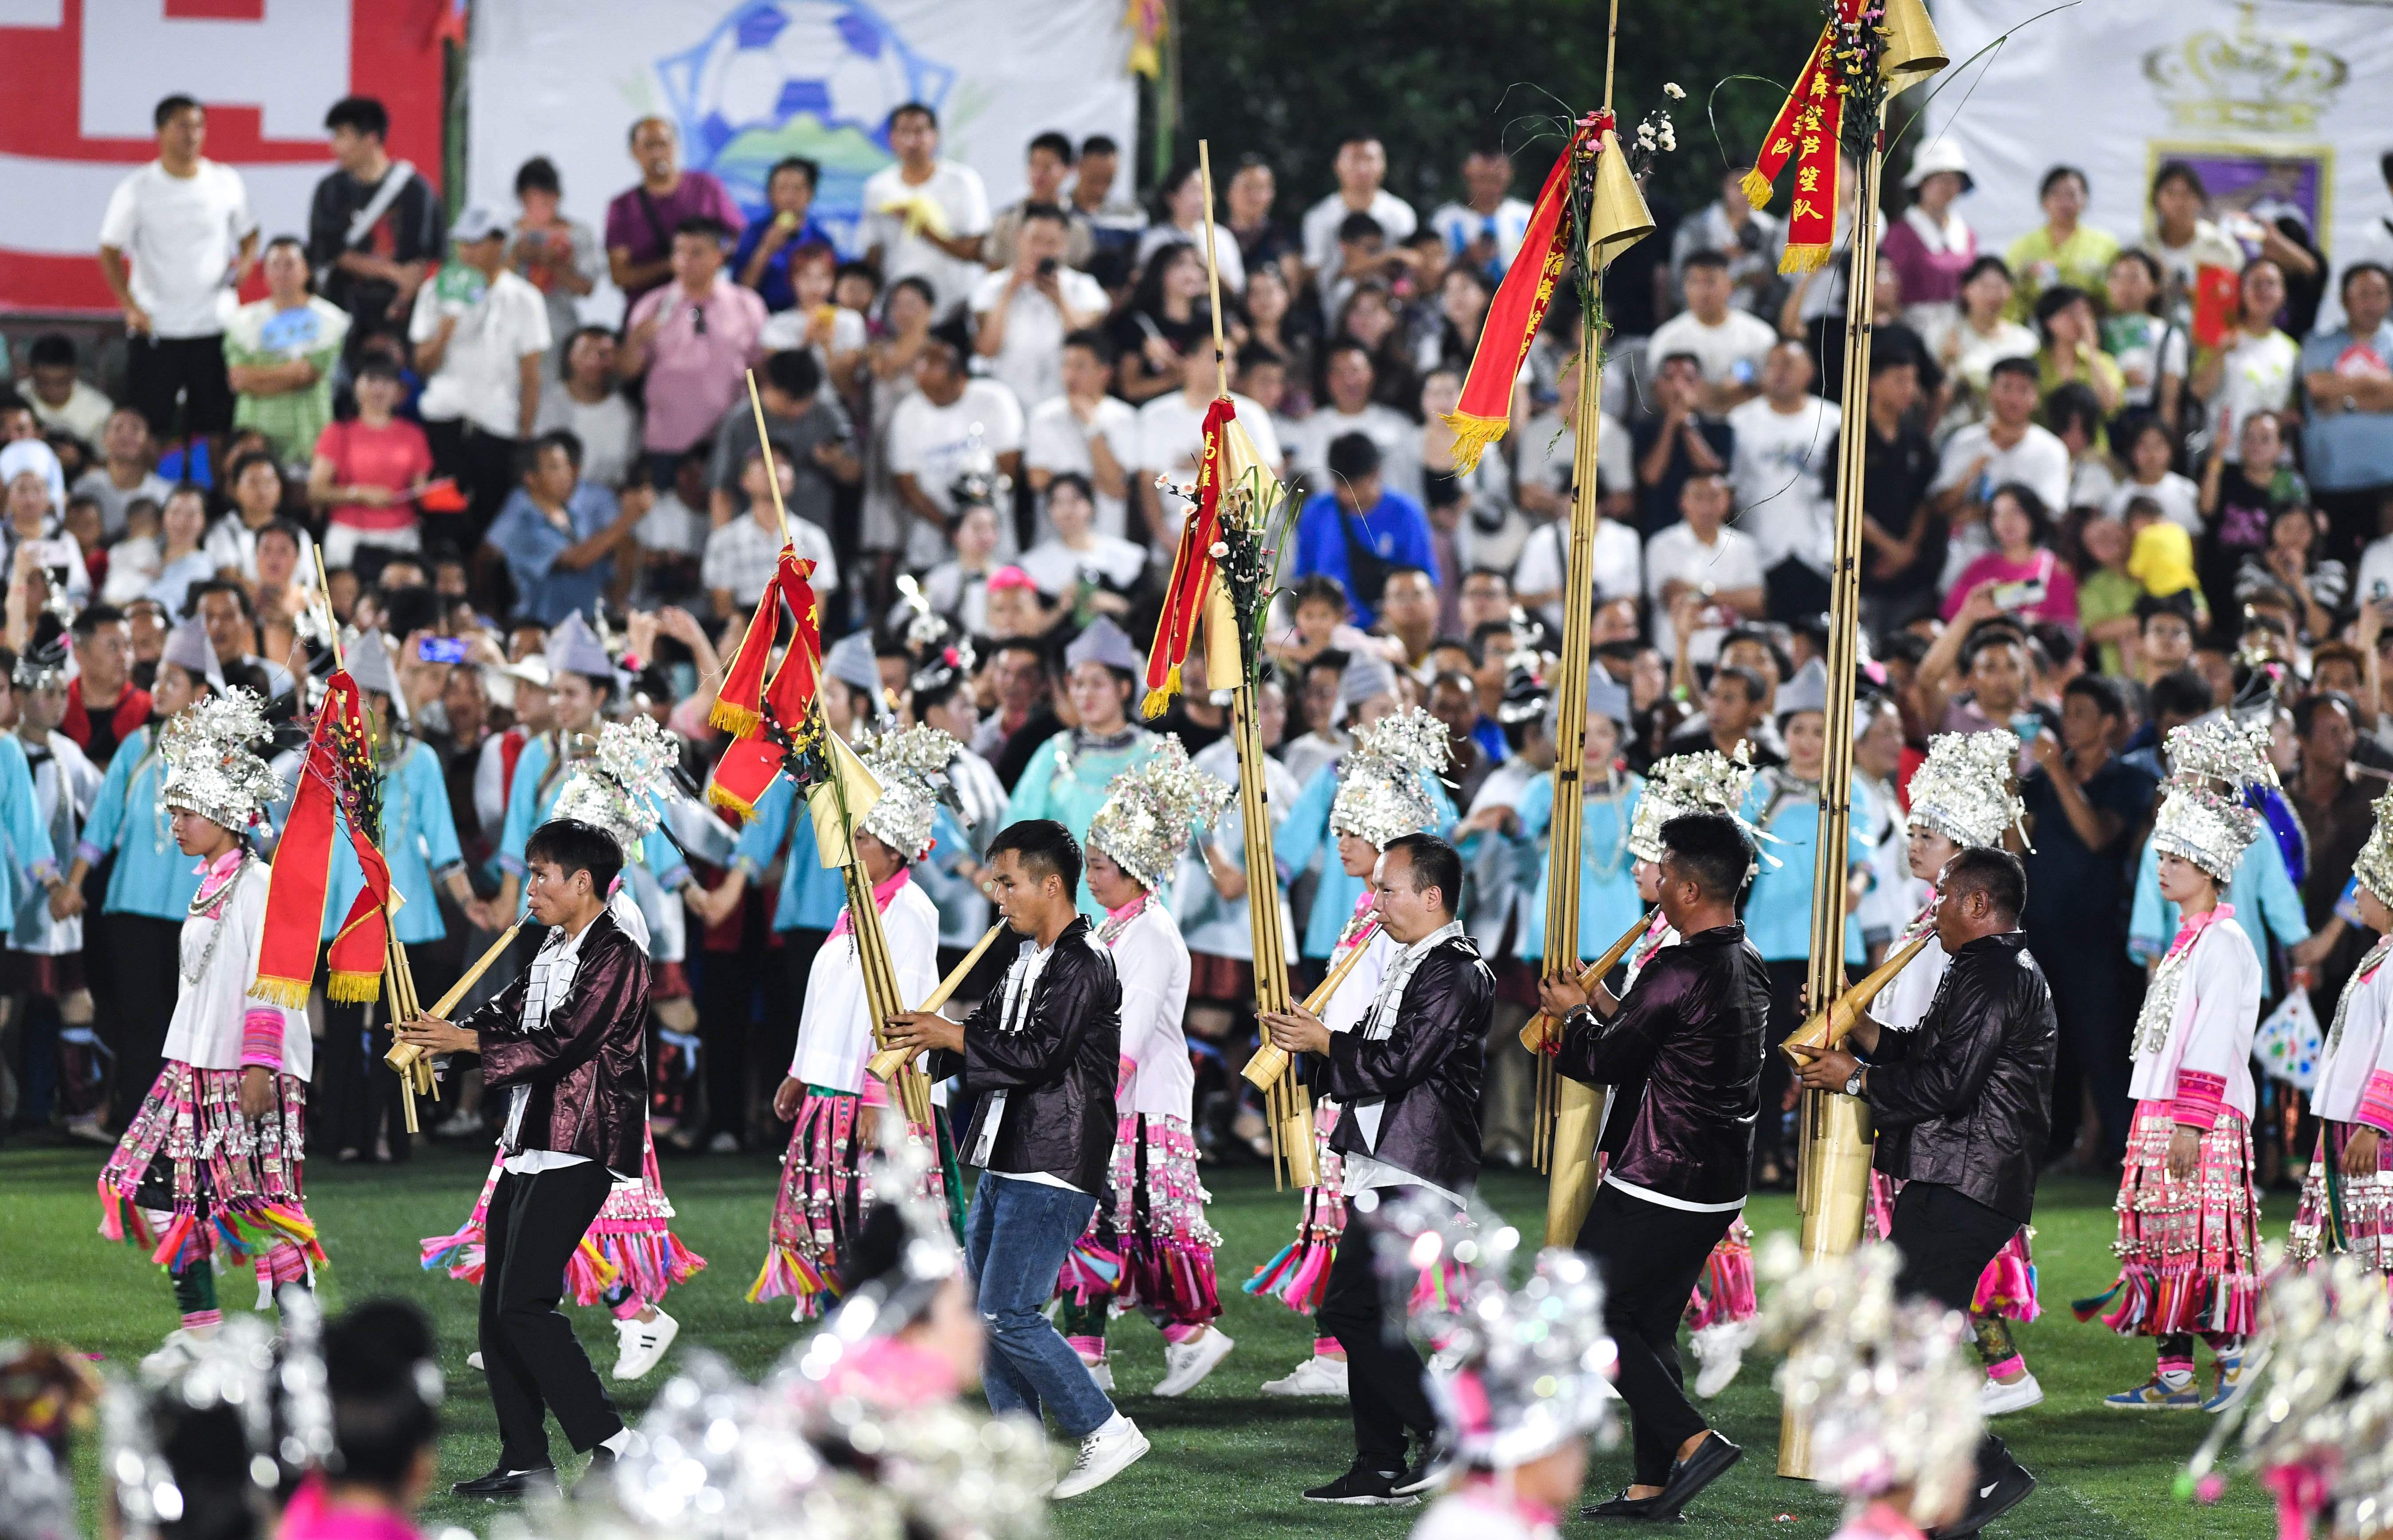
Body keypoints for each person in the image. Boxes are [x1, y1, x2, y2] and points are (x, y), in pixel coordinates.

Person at [882, 819, 1154, 1499]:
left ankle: (1106, 1429)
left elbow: (1038, 1055)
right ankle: (1018, 1457)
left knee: (1010, 1313)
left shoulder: (1084, 960)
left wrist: (950, 1034)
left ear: (1049, 884)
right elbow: (996, 1038)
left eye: (1007, 881)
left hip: (1055, 1158)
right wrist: (926, 1043)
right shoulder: (1027, 955)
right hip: (1012, 1151)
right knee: (985, 1314)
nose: (995, 895)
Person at [1790, 845, 2051, 1538]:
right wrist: (1861, 1028)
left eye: (1942, 897)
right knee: (1901, 1337)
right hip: (1956, 1176)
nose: (1931, 910)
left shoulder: (1996, 975)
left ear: (1976, 904)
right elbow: (1929, 1057)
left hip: (1966, 1182)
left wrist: (1853, 1078)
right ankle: (1962, 1477)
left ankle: (1977, 1471)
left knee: (1899, 1337)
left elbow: (1948, 1086)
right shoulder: (1979, 969)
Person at [395, 817, 650, 1497]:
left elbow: (564, 1043)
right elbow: (505, 1018)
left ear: (582, 883)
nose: (529, 888)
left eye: (541, 875)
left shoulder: (618, 956)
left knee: (525, 1303)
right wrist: (439, 1037)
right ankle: (524, 1460)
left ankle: (619, 1443)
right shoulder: (552, 949)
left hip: (580, 1143)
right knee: (497, 1307)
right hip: (530, 1139)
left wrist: (464, 1044)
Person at [1535, 812, 1766, 1521]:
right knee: (1648, 1324)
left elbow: (1604, 1060)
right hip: (1715, 1182)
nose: (1656, 883)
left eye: (1663, 873)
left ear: (1690, 889)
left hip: (1658, 1174)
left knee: (1591, 1311)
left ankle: (1693, 1441)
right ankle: (1652, 1484)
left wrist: (1573, 1017)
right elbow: (1656, 1036)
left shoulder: (1678, 966)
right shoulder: (1745, 960)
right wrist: (1603, 1001)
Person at [1260, 832, 1492, 1506]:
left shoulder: (1456, 969)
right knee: (1369, 1315)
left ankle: (1441, 1429)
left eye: (1387, 888)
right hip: (1384, 1153)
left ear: (1431, 896)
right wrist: (1304, 1037)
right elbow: (1367, 1050)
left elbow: (1398, 1063)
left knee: (1350, 1310)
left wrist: (1322, 1040)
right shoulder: (1413, 959)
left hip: (1417, 1161)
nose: (1375, 899)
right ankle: (1378, 1463)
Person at [94, 689, 315, 1372]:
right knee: (148, 1185)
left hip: (242, 1068)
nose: (175, 824)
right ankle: (203, 1333)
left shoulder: (254, 885)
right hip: (190, 1063)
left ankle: (299, 1341)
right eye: (174, 811)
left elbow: (270, 977)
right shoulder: (211, 881)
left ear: (224, 813)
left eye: (185, 812)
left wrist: (256, 1066)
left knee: (260, 1202)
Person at [1251, 705, 1449, 1390]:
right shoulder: (1365, 913)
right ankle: (1337, 1355)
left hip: (1369, 1086)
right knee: (1336, 1218)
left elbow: (1380, 1014)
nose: (1339, 841)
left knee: (1372, 1231)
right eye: (1337, 827)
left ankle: (1403, 1351)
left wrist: (1322, 1041)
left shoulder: (1394, 924)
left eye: (1355, 830)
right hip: (1346, 1078)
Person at [2078, 719, 2270, 1414]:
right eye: (2160, 857)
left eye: (2177, 861)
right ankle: (2174, 1377)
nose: (2162, 869)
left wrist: (2190, 1121)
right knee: (2161, 1239)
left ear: (2210, 870)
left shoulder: (2224, 944)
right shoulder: (2189, 942)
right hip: (2163, 1113)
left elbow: (2215, 1038)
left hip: (2200, 1117)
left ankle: (2235, 1361)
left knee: (2200, 1242)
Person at [1055, 741, 1235, 1395]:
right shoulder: (1115, 930)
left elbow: (1124, 1040)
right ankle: (1093, 1352)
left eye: (1101, 866)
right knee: (1101, 1227)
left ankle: (1182, 1335)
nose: (1091, 876)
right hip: (1114, 1101)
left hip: (1135, 1105)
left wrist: (1077, 1097)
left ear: (1133, 868)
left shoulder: (1151, 936)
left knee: (1124, 1230)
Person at [753, 724, 949, 1320]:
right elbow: (831, 998)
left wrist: (877, 1096)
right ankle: (848, 1318)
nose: (851, 847)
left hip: (870, 1094)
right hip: (829, 1085)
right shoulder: (855, 904)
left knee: (868, 1215)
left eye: (863, 838)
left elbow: (901, 1011)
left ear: (896, 850)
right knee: (831, 1215)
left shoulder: (911, 913)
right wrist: (799, 1071)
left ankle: (882, 1322)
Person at [64, 618, 220, 1127]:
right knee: (136, 1021)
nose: (158, 689)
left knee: (188, 1022)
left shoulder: (222, 757)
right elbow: (101, 825)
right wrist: (74, 884)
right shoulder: (138, 747)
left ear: (200, 693)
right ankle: (137, 1127)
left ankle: (183, 1128)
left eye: (172, 681)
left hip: (196, 911)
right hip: (131, 908)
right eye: (158, 679)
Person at [97, 96, 256, 456]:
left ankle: (213, 505)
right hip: (157, 325)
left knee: (217, 425)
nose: (193, 134)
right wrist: (130, 307)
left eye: (199, 125)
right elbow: (109, 251)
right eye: (183, 125)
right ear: (161, 131)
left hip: (214, 324)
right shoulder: (137, 188)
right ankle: (151, 505)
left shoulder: (225, 181)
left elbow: (250, 232)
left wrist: (245, 263)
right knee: (150, 427)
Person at [2286, 784, 2393, 1276]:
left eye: (2365, 885)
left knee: (2374, 1247)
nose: (2355, 894)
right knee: (2349, 1243)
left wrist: (2374, 1125)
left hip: (2372, 1130)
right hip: (2348, 1123)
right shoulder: (2379, 957)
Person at [409, 207, 551, 538]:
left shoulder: (525, 299)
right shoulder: (435, 290)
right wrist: (445, 331)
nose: (467, 251)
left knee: (493, 522)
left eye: (477, 242)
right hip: (444, 423)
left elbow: (531, 379)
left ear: (500, 244)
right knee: (441, 520)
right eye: (463, 243)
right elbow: (421, 364)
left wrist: (525, 442)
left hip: (497, 426)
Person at [1003, 618, 1160, 917]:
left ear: (1124, 688)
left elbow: (1189, 832)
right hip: (1067, 916)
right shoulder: (1054, 754)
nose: (1085, 694)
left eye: (1097, 684)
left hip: (1139, 914)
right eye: (1078, 684)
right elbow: (1016, 831)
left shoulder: (1154, 756)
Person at [619, 216, 769, 487]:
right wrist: (634, 342)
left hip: (729, 439)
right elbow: (628, 372)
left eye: (696, 253)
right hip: (667, 439)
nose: (685, 261)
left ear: (719, 256)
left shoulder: (747, 305)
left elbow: (761, 371)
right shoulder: (652, 305)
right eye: (678, 252)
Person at [307, 96, 442, 352]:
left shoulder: (416, 190)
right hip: (342, 318)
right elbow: (329, 252)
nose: (335, 147)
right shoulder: (330, 190)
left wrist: (402, 301)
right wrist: (392, 273)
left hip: (401, 321)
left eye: (342, 136)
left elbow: (422, 259)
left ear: (370, 138)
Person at [1728, 340, 1840, 620]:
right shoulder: (1740, 421)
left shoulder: (1833, 419)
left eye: (1788, 365)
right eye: (1772, 365)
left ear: (1810, 372)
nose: (1779, 373)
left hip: (1818, 549)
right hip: (1760, 547)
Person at [484, 431, 638, 626]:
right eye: (555, 468)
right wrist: (628, 518)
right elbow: (575, 560)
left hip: (586, 626)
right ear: (531, 478)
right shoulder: (522, 525)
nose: (567, 475)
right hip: (539, 631)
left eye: (567, 466)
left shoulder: (575, 518)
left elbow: (603, 575)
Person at [221, 236, 348, 469]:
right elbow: (239, 379)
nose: (282, 272)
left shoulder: (330, 319)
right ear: (265, 273)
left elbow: (308, 375)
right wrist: (291, 373)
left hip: (311, 438)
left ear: (307, 270)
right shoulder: (243, 321)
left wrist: (258, 376)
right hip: (256, 440)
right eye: (274, 265)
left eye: (290, 264)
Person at [1291, 433, 1436, 630]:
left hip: (1388, 631)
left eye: (1355, 485)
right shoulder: (1316, 512)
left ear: (1376, 474)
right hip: (1327, 631)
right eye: (1341, 485)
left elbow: (1423, 582)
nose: (1348, 494)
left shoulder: (1406, 514)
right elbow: (1304, 579)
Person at [972, 205, 1110, 412]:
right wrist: (1009, 291)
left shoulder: (1084, 288)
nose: (1041, 251)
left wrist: (1059, 300)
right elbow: (987, 349)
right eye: (1034, 240)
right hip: (1008, 402)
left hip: (1063, 403)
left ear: (1064, 245)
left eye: (1051, 243)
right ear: (1019, 239)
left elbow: (1085, 343)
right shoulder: (992, 287)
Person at [861, 102, 992, 317]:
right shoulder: (877, 188)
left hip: (955, 306)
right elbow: (874, 253)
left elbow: (978, 250)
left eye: (920, 132)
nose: (912, 141)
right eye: (904, 132)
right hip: (899, 311)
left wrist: (921, 227)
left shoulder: (963, 182)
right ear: (891, 139)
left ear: (935, 136)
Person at [2301, 262, 2393, 567]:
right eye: (2363, 294)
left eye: (2380, 294)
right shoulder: (2319, 344)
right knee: (2334, 569)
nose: (2372, 302)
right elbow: (2318, 388)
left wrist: (2346, 401)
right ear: (2344, 300)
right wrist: (2380, 387)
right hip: (2331, 484)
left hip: (2387, 485)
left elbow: (2332, 390)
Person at [604, 117, 745, 307]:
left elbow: (739, 237)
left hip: (708, 306)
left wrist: (710, 259)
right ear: (633, 153)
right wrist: (674, 264)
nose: (657, 153)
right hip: (652, 312)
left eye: (663, 144)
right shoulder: (623, 207)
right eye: (649, 146)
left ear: (676, 146)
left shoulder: (706, 187)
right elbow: (620, 275)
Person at [1025, 330, 1139, 543]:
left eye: (1080, 366)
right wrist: (1097, 482)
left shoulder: (1124, 417)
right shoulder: (1043, 416)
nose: (1070, 375)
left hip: (1108, 538)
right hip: (1053, 543)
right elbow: (1038, 480)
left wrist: (1092, 427)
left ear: (1104, 372)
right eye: (1066, 366)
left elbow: (1117, 487)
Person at [506, 157, 604, 379]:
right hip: (515, 332)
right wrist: (517, 255)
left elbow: (586, 288)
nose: (540, 209)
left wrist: (553, 263)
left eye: (546, 200)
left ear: (557, 197)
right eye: (532, 200)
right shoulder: (507, 235)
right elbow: (489, 285)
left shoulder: (577, 234)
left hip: (561, 332)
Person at [1646, 252, 1777, 416]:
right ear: (1684, 287)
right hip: (1689, 424)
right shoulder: (1667, 339)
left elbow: (1771, 388)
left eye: (1711, 282)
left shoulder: (1760, 335)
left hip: (1747, 425)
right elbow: (1659, 392)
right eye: (1694, 282)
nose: (1703, 292)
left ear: (1730, 285)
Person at [1881, 138, 1977, 335]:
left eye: (1954, 179)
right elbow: (1886, 291)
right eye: (1940, 178)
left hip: (1961, 332)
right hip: (1913, 330)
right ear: (1922, 183)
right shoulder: (1900, 235)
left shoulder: (1967, 235)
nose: (1947, 187)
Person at [2004, 165, 2119, 318]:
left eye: (2072, 195)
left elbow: (2116, 292)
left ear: (2085, 200)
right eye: (2056, 194)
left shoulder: (2106, 245)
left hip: (2091, 323)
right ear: (2044, 201)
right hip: (2038, 326)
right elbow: (2008, 288)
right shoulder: (2023, 246)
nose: (2064, 202)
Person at [534, 328, 639, 493]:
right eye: (586, 352)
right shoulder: (546, 404)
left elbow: (626, 473)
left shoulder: (626, 415)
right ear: (570, 357)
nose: (594, 361)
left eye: (604, 354)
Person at [730, 155, 835, 312]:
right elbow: (740, 293)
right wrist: (766, 249)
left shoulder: (821, 239)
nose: (789, 197)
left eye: (797, 189)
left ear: (810, 194)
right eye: (783, 188)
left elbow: (831, 294)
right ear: (770, 194)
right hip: (762, 319)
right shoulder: (753, 234)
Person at [986, 132, 1096, 273]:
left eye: (1047, 167)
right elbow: (993, 273)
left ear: (1068, 169)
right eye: (1034, 165)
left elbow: (1081, 277)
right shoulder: (1006, 222)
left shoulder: (1079, 226)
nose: (1038, 175)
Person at [1137, 161, 1246, 294]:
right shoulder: (1155, 240)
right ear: (1171, 196)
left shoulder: (1222, 237)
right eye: (1194, 190)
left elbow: (1237, 287)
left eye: (1207, 190)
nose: (1202, 199)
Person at [1429, 145, 1534, 281]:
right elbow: (1430, 278)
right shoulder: (1443, 221)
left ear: (1510, 174)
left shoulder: (1528, 217)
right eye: (1482, 178)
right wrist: (1467, 259)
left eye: (1496, 180)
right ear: (1466, 172)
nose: (1489, 186)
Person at [21, 334, 115, 444]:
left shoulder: (100, 410)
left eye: (61, 382)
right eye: (43, 382)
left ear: (75, 373)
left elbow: (106, 458)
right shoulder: (17, 399)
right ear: (31, 372)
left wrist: (80, 459)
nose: (52, 390)